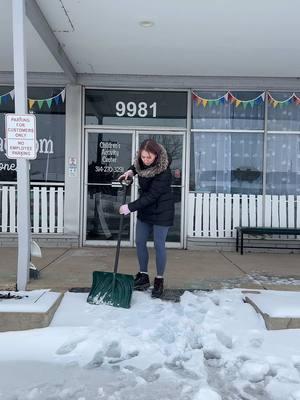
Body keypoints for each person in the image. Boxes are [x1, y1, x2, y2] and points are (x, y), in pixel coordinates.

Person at [118, 139, 174, 298]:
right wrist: (130, 171)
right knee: (140, 241)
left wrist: (130, 207)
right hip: (146, 209)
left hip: (162, 210)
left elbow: (152, 196)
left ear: (156, 155)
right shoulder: (140, 162)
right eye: (143, 157)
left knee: (158, 244)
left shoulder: (164, 171)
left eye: (149, 157)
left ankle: (159, 279)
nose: (146, 160)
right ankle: (143, 276)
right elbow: (137, 166)